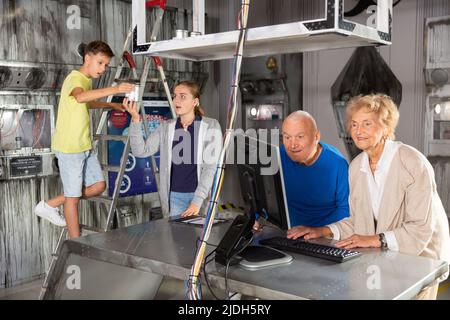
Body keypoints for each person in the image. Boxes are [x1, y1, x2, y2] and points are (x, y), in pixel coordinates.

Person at [291, 94, 450, 300]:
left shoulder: (412, 163)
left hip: (421, 261)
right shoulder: (357, 167)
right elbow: (359, 222)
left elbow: (420, 228)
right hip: (387, 261)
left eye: (367, 123)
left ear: (385, 126)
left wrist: (375, 240)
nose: (358, 131)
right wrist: (322, 230)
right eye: (354, 124)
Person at [34, 40, 135, 238]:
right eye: (100, 63)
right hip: (70, 147)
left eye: (106, 65)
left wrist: (112, 106)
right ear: (87, 58)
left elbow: (85, 102)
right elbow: (81, 98)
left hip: (84, 145)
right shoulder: (75, 78)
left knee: (99, 186)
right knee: (72, 199)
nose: (103, 69)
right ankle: (77, 243)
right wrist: (115, 89)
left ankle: (50, 204)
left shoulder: (86, 81)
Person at [123, 80, 222, 218]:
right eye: (175, 96)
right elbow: (141, 151)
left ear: (195, 102)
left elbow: (210, 168)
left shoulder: (211, 126)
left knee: (203, 239)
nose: (176, 100)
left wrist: (197, 201)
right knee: (176, 239)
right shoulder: (166, 127)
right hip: (174, 198)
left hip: (201, 198)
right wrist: (135, 118)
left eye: (183, 96)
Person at [261, 110, 350, 234]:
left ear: (316, 137)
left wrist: (321, 231)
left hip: (324, 236)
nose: (292, 145)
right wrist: (258, 218)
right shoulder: (277, 157)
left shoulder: (338, 164)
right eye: (287, 137)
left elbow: (345, 210)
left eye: (300, 137)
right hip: (287, 233)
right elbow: (266, 198)